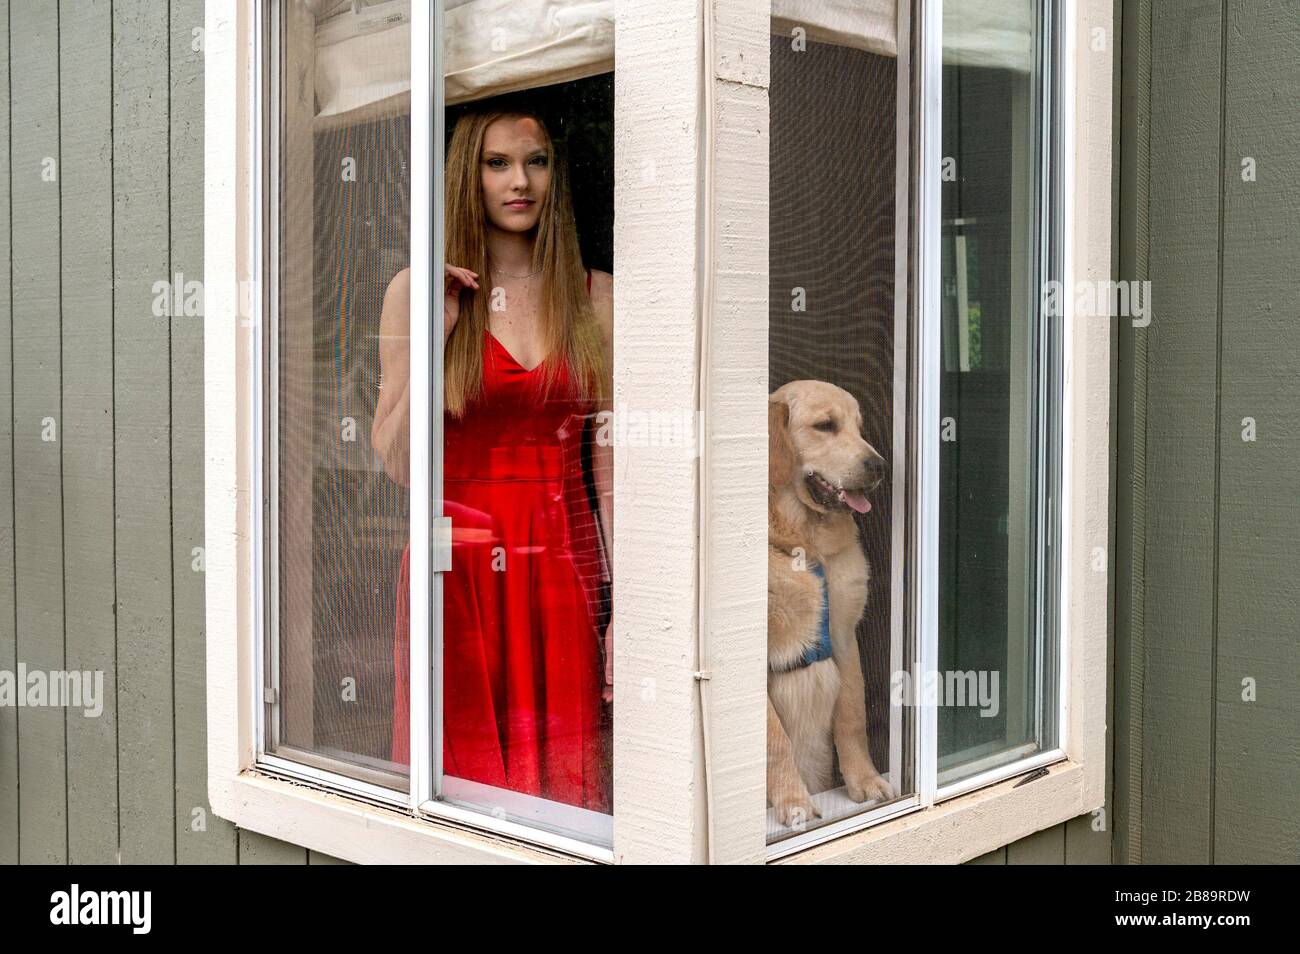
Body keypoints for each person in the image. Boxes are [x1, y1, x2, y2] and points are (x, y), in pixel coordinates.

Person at [371, 105, 613, 813]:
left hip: (562, 568)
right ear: (466, 175)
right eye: (497, 163)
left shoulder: (601, 299)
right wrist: (437, 337)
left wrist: (622, 604)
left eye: (536, 161)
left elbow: (610, 474)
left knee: (566, 785)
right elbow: (397, 464)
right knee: (464, 787)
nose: (520, 181)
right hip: (458, 569)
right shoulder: (416, 292)